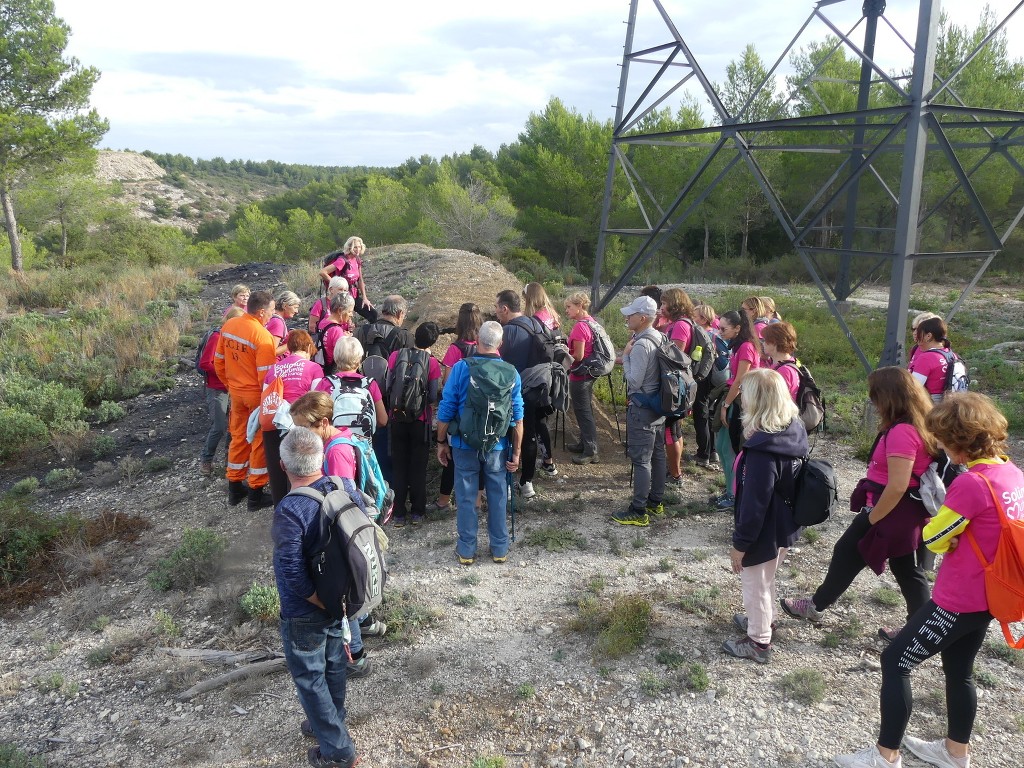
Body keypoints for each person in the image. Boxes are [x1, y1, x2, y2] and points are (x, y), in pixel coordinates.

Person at [833, 392, 1024, 768]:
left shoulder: (972, 484)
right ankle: (956, 753)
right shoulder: (1011, 471)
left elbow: (934, 537)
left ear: (960, 439)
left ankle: (885, 756)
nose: (939, 445)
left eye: (943, 438)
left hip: (958, 598)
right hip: (990, 596)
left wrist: (950, 533)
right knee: (959, 671)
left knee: (895, 661)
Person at [781, 367, 935, 639]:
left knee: (850, 552)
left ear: (888, 396)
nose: (872, 401)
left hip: (891, 510)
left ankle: (815, 606)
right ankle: (919, 628)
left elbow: (898, 485)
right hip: (900, 511)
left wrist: (872, 517)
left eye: (874, 395)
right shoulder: (915, 423)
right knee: (904, 568)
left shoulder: (902, 432)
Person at [272, 426, 360, 768]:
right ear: (321, 459)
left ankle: (338, 753)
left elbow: (292, 574)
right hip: (340, 600)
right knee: (334, 665)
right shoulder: (345, 487)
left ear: (283, 466)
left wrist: (317, 600)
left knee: (310, 678)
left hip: (304, 610)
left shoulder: (291, 509)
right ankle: (330, 720)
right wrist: (335, 602)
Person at [288, 393, 385, 677]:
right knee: (356, 580)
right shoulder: (339, 439)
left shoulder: (335, 451)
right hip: (353, 526)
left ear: (324, 423)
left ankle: (355, 657)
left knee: (345, 592)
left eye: (304, 428)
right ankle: (365, 622)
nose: (299, 434)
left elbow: (342, 499)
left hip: (345, 530)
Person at [721, 369, 806, 664]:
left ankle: (758, 642)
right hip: (785, 523)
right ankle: (764, 622)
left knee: (753, 582)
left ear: (757, 400)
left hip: (764, 529)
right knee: (765, 579)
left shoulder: (761, 451)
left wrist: (740, 545)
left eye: (745, 392)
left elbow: (754, 506)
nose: (741, 397)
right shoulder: (791, 429)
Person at [435, 320, 524, 565]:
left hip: (464, 444)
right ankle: (499, 549)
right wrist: (516, 453)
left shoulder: (462, 368)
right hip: (497, 445)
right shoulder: (511, 372)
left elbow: (447, 406)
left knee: (465, 496)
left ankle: (466, 550)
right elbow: (518, 417)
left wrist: (441, 441)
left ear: (478, 341)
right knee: (497, 496)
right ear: (500, 344)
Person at [214, 290, 277, 511]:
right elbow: (267, 377)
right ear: (261, 312)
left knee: (238, 437)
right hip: (255, 396)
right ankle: (255, 494)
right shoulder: (262, 336)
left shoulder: (229, 326)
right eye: (271, 311)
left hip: (236, 393)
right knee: (259, 441)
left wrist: (231, 385)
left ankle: (234, 487)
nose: (272, 315)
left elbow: (218, 362)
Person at [614, 295, 666, 527]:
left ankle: (638, 510)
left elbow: (634, 382)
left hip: (642, 408)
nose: (627, 317)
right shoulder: (659, 336)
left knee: (641, 460)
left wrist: (625, 356)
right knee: (657, 454)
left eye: (631, 314)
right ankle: (656, 501)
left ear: (643, 318)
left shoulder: (641, 345)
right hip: (658, 406)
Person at [386, 322, 442, 527]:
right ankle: (418, 512)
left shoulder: (394, 357)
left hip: (396, 419)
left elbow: (387, 386)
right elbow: (432, 397)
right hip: (420, 421)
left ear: (414, 336)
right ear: (433, 342)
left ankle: (399, 513)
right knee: (418, 468)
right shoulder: (432, 362)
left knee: (399, 467)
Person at [494, 289, 547, 499]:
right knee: (529, 435)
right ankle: (527, 483)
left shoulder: (506, 333)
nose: (496, 312)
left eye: (497, 308)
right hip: (536, 389)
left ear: (505, 308)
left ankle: (506, 485)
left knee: (507, 437)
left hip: (511, 392)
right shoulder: (535, 323)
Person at [354, 295, 412, 481]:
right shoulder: (404, 336)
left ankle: (364, 480)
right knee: (387, 446)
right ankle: (386, 485)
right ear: (400, 313)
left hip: (360, 397)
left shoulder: (361, 332)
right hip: (389, 400)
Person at [263, 330, 325, 505]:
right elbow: (315, 400)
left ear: (289, 347)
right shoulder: (314, 368)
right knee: (302, 469)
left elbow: (266, 397)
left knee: (278, 471)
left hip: (275, 422)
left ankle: (280, 508)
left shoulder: (273, 369)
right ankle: (305, 505)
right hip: (300, 422)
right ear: (307, 346)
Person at [436, 303, 483, 510]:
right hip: (482, 408)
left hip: (460, 411)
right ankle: (478, 499)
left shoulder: (456, 349)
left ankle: (444, 500)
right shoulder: (486, 347)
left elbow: (446, 382)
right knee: (481, 455)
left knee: (453, 456)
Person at [714, 310, 761, 510]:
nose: (719, 331)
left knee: (731, 449)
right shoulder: (738, 346)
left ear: (737, 328)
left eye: (723, 328)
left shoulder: (746, 348)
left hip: (739, 401)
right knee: (722, 448)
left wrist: (725, 405)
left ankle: (734, 495)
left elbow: (740, 380)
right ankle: (729, 490)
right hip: (732, 398)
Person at [198, 307, 244, 477]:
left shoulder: (234, 337)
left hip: (233, 387)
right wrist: (227, 371)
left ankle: (229, 461)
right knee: (219, 426)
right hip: (217, 388)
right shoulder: (218, 336)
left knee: (233, 427)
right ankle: (206, 460)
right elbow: (205, 363)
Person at [315, 336, 389, 441]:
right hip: (363, 446)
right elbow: (383, 420)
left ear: (336, 358)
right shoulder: (370, 384)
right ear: (359, 359)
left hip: (334, 444)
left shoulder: (326, 383)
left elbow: (315, 418)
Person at [660, 288, 697, 485]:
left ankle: (675, 474)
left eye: (664, 303)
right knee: (674, 430)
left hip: (675, 386)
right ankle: (674, 470)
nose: (661, 307)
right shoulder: (675, 324)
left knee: (671, 431)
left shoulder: (681, 325)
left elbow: (674, 357)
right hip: (676, 384)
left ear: (674, 304)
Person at [522, 283, 559, 478]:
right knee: (541, 418)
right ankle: (548, 461)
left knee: (536, 420)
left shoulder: (536, 319)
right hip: (551, 373)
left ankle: (546, 461)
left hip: (538, 374)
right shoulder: (550, 314)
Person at [564, 292, 599, 465]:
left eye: (569, 307)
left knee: (583, 412)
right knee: (585, 410)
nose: (567, 311)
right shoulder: (591, 322)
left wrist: (563, 352)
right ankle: (585, 443)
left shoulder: (580, 326)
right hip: (589, 372)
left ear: (579, 307)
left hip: (580, 373)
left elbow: (578, 355)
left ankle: (591, 451)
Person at [691, 303, 724, 468]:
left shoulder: (702, 334)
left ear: (703, 319)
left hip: (705, 377)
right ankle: (713, 451)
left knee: (700, 413)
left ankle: (703, 454)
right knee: (710, 413)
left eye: (695, 316)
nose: (692, 319)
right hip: (718, 379)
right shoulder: (718, 333)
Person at [319, 236, 376, 321]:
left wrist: (365, 298)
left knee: (373, 314)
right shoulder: (342, 261)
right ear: (350, 247)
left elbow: (360, 280)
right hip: (343, 297)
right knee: (346, 321)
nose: (358, 249)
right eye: (355, 247)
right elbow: (322, 272)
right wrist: (336, 284)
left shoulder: (357, 260)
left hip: (354, 295)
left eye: (359, 247)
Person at [908, 316, 956, 403]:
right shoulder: (950, 354)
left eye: (918, 332)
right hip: (949, 402)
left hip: (930, 404)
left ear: (928, 336)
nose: (915, 335)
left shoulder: (926, 358)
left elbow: (913, 389)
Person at [318, 293, 356, 376]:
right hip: (333, 370)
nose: (351, 314)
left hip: (323, 365)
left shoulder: (324, 322)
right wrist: (347, 339)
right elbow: (343, 355)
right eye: (349, 311)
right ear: (340, 311)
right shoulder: (336, 330)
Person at [762, 322, 800, 402]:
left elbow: (775, 404)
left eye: (765, 340)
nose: (763, 343)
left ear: (774, 343)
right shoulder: (792, 362)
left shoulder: (783, 371)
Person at [268, 291, 301, 356]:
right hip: (275, 364)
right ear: (285, 306)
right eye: (295, 307)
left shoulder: (271, 317)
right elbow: (272, 351)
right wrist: (292, 342)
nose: (296, 311)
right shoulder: (278, 322)